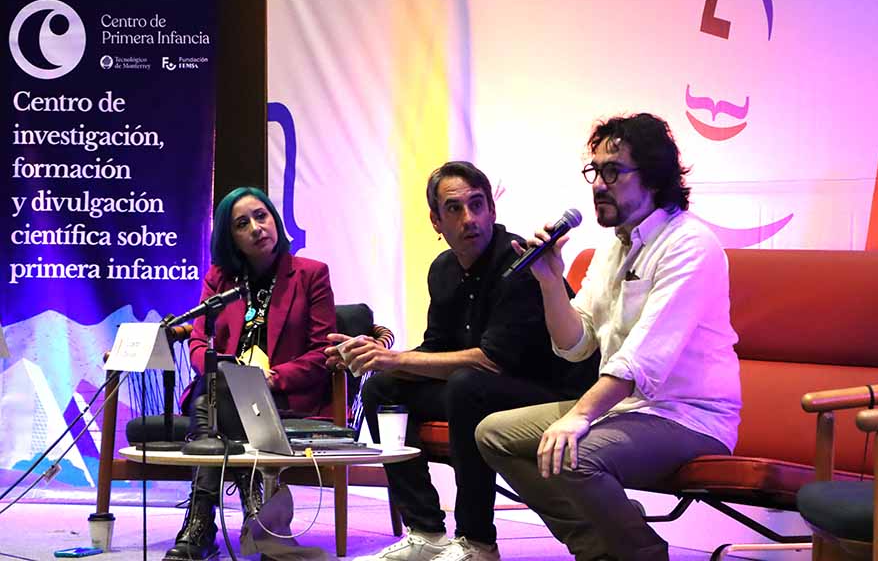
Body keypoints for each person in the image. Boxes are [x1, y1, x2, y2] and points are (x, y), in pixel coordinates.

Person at [475, 113, 742, 561]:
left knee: (576, 454)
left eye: (613, 171)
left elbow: (641, 360)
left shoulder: (690, 245)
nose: (598, 184)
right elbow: (575, 343)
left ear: (654, 178)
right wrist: (548, 279)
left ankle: (642, 553)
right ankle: (598, 546)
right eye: (594, 170)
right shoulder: (612, 247)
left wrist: (578, 418)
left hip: (690, 419)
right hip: (628, 410)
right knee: (492, 434)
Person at [327, 161, 597, 561]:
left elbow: (492, 361)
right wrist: (372, 357)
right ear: (436, 221)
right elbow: (436, 347)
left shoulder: (519, 262)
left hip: (550, 392)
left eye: (477, 205)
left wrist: (394, 357)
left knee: (466, 385)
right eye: (454, 209)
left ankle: (477, 541)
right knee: (385, 388)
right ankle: (425, 532)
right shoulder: (443, 269)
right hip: (482, 389)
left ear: (492, 209)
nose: (469, 219)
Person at [164, 186, 336, 561]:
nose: (257, 227)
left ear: (275, 219)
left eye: (262, 216)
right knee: (222, 388)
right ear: (231, 237)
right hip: (223, 391)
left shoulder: (311, 275)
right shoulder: (219, 280)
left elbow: (322, 351)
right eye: (243, 223)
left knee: (222, 397)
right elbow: (197, 341)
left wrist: (273, 377)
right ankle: (253, 513)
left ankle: (201, 524)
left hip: (281, 393)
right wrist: (215, 374)